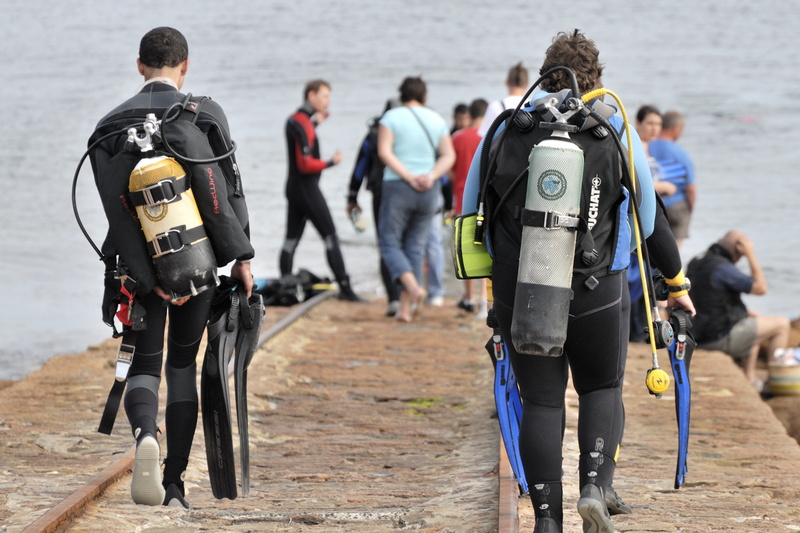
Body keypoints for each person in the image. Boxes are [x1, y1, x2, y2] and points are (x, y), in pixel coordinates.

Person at [461, 30, 693, 533]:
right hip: (598, 290)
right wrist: (676, 283)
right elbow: (651, 220)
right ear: (596, 78)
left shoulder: (505, 129)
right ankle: (593, 487)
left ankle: (546, 519)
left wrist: (493, 291)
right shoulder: (613, 127)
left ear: (546, 74)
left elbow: (466, 215)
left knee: (542, 400)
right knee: (601, 388)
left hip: (523, 291)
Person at [88, 27, 255, 508]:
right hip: (196, 264)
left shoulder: (107, 126)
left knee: (145, 363)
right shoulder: (203, 113)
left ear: (139, 66)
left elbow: (114, 209)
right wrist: (242, 257)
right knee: (182, 365)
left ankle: (145, 435)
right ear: (185, 66)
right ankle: (175, 484)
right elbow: (230, 192)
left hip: (137, 266)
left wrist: (140, 273)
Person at [377, 76, 455, 322]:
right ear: (424, 95)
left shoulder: (391, 118)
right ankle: (404, 310)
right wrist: (431, 176)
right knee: (414, 246)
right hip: (428, 190)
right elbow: (448, 155)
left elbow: (384, 152)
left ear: (402, 94)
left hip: (398, 186)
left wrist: (409, 176)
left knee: (389, 243)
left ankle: (413, 289)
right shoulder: (436, 119)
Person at [280, 79, 363, 302]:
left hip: (295, 189)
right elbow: (304, 163)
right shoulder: (302, 122)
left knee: (290, 241)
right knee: (330, 236)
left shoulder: (297, 120)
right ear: (311, 96)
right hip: (306, 188)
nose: (329, 101)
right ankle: (346, 289)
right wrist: (330, 163)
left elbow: (303, 137)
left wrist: (315, 123)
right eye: (325, 96)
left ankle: (285, 286)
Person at [687, 230, 790, 387]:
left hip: (697, 334)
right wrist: (751, 254)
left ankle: (750, 380)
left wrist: (747, 313)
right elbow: (760, 288)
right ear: (738, 252)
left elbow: (707, 300)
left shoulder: (697, 260)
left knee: (751, 323)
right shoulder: (723, 268)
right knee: (781, 324)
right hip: (716, 338)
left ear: (719, 240)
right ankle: (778, 381)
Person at [346, 99, 402, 316]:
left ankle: (394, 299)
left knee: (386, 245)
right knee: (406, 244)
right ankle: (407, 294)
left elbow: (360, 167)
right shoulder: (409, 132)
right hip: (409, 193)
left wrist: (352, 196)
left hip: (380, 194)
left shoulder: (373, 134)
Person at [450, 97, 488, 315]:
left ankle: (469, 297)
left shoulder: (458, 137)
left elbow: (450, 170)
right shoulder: (488, 136)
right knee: (482, 247)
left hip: (461, 197)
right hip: (482, 199)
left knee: (463, 250)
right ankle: (484, 298)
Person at [648, 110, 696, 249]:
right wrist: (689, 210)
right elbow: (691, 189)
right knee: (673, 252)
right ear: (676, 128)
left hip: (653, 205)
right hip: (676, 207)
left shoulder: (646, 145)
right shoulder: (681, 153)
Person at [477, 62, 529, 138]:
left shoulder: (496, 106)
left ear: (507, 83)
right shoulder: (532, 104)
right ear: (527, 85)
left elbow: (484, 138)